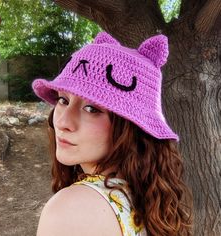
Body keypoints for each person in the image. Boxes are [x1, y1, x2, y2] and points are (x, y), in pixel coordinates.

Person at [32, 32, 193, 236]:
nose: (63, 122)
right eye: (63, 100)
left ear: (131, 127)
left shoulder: (70, 212)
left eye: (92, 109)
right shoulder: (149, 199)